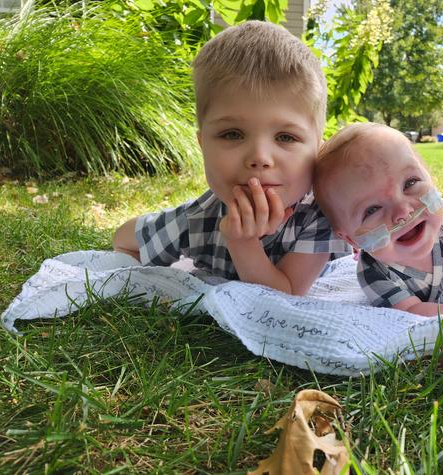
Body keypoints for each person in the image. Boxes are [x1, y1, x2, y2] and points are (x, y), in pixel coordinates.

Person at [113, 21, 350, 295]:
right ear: (202, 144)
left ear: (317, 150)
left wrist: (242, 243)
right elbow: (125, 238)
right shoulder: (199, 219)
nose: (260, 158)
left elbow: (286, 296)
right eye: (232, 134)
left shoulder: (319, 217)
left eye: (286, 137)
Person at [313, 123, 443, 316]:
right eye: (372, 209)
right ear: (350, 240)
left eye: (410, 183)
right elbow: (412, 310)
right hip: (440, 302)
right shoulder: (373, 272)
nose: (402, 212)